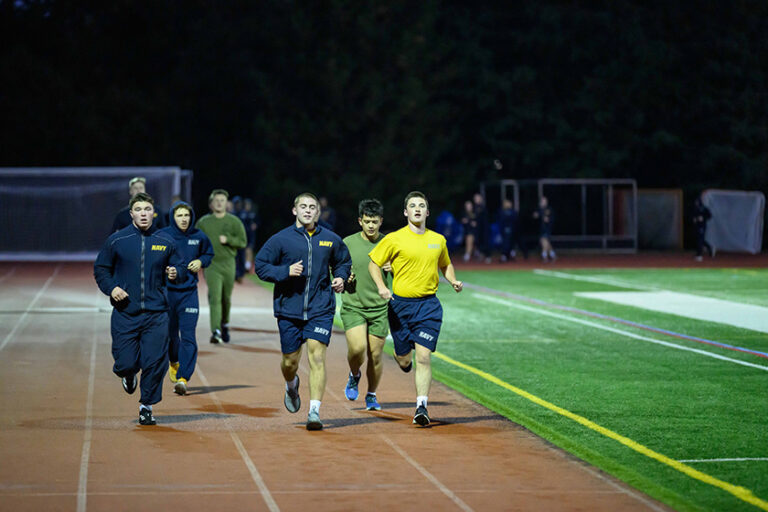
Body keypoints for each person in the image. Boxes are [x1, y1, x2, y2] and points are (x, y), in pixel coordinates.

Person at [254, 192, 352, 430]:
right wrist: (285, 271)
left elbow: (343, 262)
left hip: (321, 308)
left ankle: (314, 412)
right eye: (303, 207)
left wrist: (340, 277)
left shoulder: (330, 239)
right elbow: (261, 266)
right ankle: (291, 385)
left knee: (317, 357)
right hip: (289, 310)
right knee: (290, 362)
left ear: (318, 212)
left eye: (312, 207)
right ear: (294, 210)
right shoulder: (280, 239)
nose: (308, 210)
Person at [368, 191, 463, 427]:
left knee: (423, 357)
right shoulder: (394, 238)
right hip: (400, 307)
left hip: (428, 307)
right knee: (404, 360)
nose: (417, 209)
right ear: (405, 212)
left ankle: (421, 407)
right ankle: (402, 358)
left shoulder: (438, 240)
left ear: (427, 212)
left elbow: (446, 264)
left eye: (421, 205)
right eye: (413, 205)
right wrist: (381, 287)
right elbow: (374, 264)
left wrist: (452, 280)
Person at [94, 192, 184, 426]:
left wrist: (176, 272)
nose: (143, 214)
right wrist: (112, 288)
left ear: (154, 214)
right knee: (125, 362)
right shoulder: (117, 240)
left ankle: (147, 407)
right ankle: (128, 374)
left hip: (157, 313)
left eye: (147, 210)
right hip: (126, 312)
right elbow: (101, 269)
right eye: (138, 210)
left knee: (155, 362)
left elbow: (180, 266)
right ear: (131, 213)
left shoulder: (166, 241)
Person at [340, 199, 392, 411]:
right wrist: (344, 276)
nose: (371, 226)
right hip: (353, 305)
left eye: (375, 222)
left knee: (376, 355)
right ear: (360, 221)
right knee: (357, 349)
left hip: (379, 308)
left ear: (381, 221)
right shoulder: (347, 243)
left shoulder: (389, 243)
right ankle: (354, 375)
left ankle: (371, 394)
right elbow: (336, 268)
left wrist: (393, 267)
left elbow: (403, 274)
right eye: (367, 221)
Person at [160, 201, 214, 395]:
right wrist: (165, 271)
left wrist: (201, 261)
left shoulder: (199, 236)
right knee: (170, 335)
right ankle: (173, 361)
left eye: (186, 215)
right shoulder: (163, 236)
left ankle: (183, 379)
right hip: (168, 293)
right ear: (172, 217)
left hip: (189, 293)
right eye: (179, 215)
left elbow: (209, 253)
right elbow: (154, 260)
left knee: (188, 335)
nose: (184, 219)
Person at [195, 189, 247, 344]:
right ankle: (215, 331)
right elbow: (195, 240)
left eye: (222, 200)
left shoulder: (234, 221)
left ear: (227, 203)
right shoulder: (203, 222)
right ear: (211, 204)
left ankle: (224, 324)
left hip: (228, 263)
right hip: (212, 264)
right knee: (215, 296)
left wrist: (229, 239)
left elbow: (243, 242)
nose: (219, 203)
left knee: (226, 298)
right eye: (216, 200)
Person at [532, 195, 556, 262]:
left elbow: (552, 218)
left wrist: (548, 220)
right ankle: (552, 255)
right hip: (540, 229)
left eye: (544, 201)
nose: (543, 202)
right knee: (546, 242)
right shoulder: (538, 209)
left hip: (547, 228)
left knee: (544, 241)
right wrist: (536, 215)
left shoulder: (549, 209)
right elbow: (534, 216)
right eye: (542, 201)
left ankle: (544, 256)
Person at [693, 196, 714, 261]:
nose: (696, 203)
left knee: (700, 240)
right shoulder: (696, 208)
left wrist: (703, 218)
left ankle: (699, 255)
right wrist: (695, 219)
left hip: (702, 226)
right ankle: (709, 248)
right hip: (697, 226)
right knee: (699, 239)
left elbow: (709, 216)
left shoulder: (704, 208)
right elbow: (694, 216)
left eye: (697, 202)